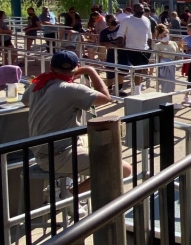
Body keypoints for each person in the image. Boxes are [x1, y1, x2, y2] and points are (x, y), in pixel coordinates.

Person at [23, 50, 129, 191]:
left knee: (96, 141)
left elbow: (25, 102)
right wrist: (91, 71)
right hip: (58, 156)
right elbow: (106, 98)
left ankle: (66, 183)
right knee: (125, 169)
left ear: (51, 67)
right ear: (76, 68)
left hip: (41, 150)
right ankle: (71, 193)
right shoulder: (72, 89)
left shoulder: (37, 84)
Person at [117, 4, 153, 88]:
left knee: (144, 69)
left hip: (145, 48)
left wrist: (150, 47)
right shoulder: (127, 20)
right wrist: (120, 44)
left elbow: (149, 34)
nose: (141, 12)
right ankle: (137, 90)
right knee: (138, 69)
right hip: (132, 48)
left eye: (142, 10)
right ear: (133, 11)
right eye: (138, 10)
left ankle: (139, 85)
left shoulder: (146, 20)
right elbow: (120, 33)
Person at [98, 14, 125, 90]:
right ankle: (109, 88)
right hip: (111, 53)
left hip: (121, 52)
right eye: (112, 20)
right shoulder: (104, 32)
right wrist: (107, 44)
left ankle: (120, 89)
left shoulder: (121, 28)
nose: (115, 21)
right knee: (110, 71)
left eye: (115, 19)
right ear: (108, 23)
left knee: (121, 70)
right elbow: (101, 42)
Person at [153, 23, 180, 95]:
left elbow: (177, 54)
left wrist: (175, 62)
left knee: (171, 84)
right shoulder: (158, 45)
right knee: (165, 84)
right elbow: (157, 57)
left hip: (172, 66)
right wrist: (158, 70)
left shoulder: (174, 43)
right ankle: (164, 100)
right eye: (161, 37)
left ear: (168, 34)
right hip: (163, 67)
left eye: (165, 36)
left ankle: (169, 101)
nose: (163, 38)